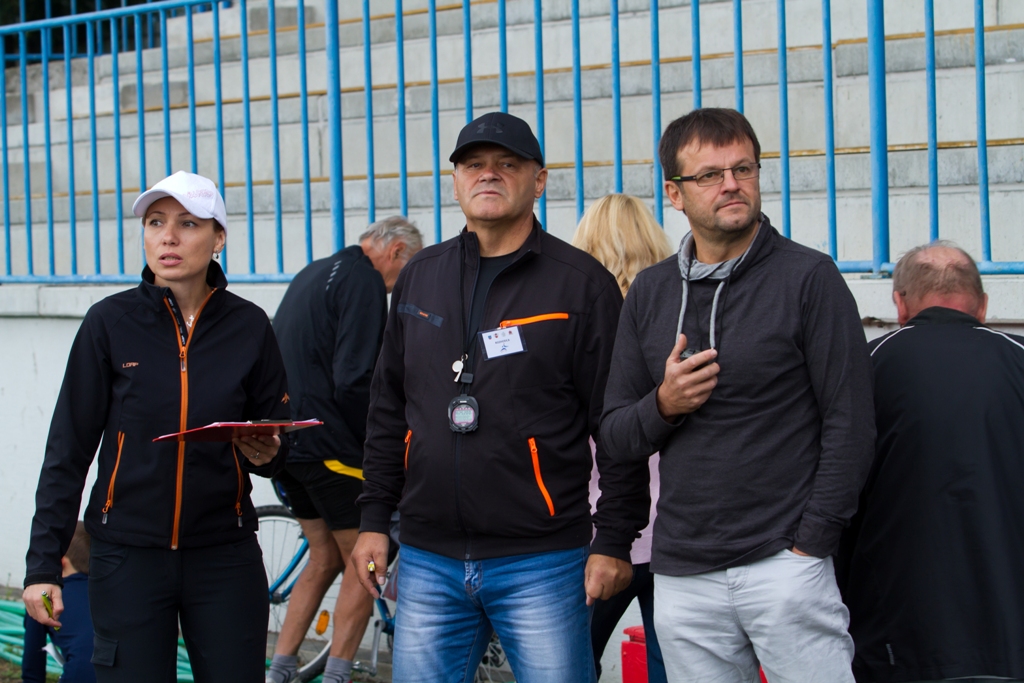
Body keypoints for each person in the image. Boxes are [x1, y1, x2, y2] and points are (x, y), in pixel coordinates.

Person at [350, 111, 648, 683]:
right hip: (428, 558)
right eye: (474, 165)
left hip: (542, 560)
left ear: (539, 181)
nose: (488, 175)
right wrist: (374, 519)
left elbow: (615, 425)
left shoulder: (581, 284)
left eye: (507, 164)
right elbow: (388, 409)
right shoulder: (420, 276)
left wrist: (614, 538)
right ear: (455, 182)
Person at [601, 107, 876, 683]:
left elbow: (849, 422)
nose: (731, 184)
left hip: (784, 563)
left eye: (743, 169)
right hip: (683, 574)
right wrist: (664, 405)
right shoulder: (650, 292)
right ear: (674, 193)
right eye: (710, 175)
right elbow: (616, 434)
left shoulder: (809, 277)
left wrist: (811, 544)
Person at [23, 171, 291, 683]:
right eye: (155, 222)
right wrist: (42, 567)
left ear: (218, 238)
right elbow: (67, 451)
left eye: (188, 223)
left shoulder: (250, 325)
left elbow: (276, 441)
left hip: (224, 553)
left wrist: (270, 454)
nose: (168, 237)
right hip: (127, 555)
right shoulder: (109, 322)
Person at [837, 242, 1024, 683]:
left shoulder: (864, 366)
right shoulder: (1018, 360)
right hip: (1010, 638)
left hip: (895, 638)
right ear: (982, 306)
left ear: (899, 303)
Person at [266, 216, 422, 683]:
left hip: (288, 442)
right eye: (406, 269)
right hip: (330, 447)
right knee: (366, 563)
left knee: (325, 556)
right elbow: (355, 379)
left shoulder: (315, 270)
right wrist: (378, 446)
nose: (399, 285)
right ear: (395, 251)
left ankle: (279, 671)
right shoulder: (364, 280)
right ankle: (336, 676)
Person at [571, 194, 671, 683]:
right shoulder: (675, 318)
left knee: (567, 665)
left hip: (597, 528)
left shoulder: (577, 323)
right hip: (672, 527)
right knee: (673, 669)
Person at [23, 522, 95, 683]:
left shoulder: (44, 597)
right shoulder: (113, 594)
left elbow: (33, 663)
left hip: (80, 674)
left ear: (60, 562)